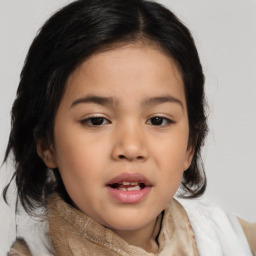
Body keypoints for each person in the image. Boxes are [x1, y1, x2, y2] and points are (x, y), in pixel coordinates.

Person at [3, 0, 255, 255]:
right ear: (47, 143)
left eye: (158, 120)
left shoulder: (231, 239)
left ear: (190, 145)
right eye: (97, 120)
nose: (131, 148)